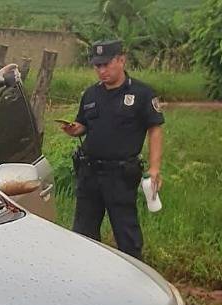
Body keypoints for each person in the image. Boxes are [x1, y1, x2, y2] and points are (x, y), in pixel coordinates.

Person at [61, 39, 164, 260]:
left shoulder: (141, 93)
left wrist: (155, 168)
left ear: (121, 60)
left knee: (127, 235)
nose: (102, 70)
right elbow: (84, 125)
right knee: (83, 234)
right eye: (97, 66)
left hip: (120, 175)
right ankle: (87, 278)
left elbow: (154, 129)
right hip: (89, 173)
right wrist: (74, 129)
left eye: (106, 64)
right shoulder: (91, 94)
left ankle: (136, 281)